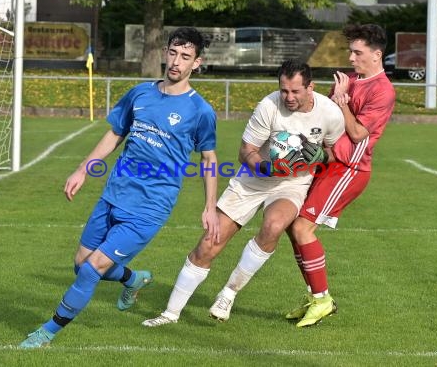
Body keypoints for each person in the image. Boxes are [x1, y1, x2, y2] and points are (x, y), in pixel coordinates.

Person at [19, 27, 219, 348]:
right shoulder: (139, 93)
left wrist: (210, 206)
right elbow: (115, 134)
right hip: (113, 196)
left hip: (150, 208)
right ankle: (133, 278)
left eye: (185, 57)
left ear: (197, 63)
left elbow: (209, 158)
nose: (176, 62)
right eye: (172, 53)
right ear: (165, 52)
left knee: (91, 271)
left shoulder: (200, 111)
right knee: (80, 265)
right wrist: (83, 169)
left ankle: (47, 332)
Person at [142, 59, 345, 327]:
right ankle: (170, 313)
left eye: (295, 91)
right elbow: (245, 151)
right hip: (254, 178)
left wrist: (318, 155)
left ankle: (228, 293)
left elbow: (336, 153)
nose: (289, 97)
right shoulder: (269, 105)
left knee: (273, 226)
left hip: (292, 184)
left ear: (310, 87)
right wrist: (264, 166)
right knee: (209, 243)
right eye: (284, 90)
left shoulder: (330, 113)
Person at [285, 23, 396, 328]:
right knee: (291, 225)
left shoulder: (382, 90)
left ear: (376, 55)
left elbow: (359, 133)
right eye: (350, 50)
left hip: (350, 169)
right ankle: (315, 296)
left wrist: (343, 101)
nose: (351, 56)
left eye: (357, 52)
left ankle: (322, 300)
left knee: (303, 229)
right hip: (329, 162)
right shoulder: (350, 81)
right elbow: (328, 119)